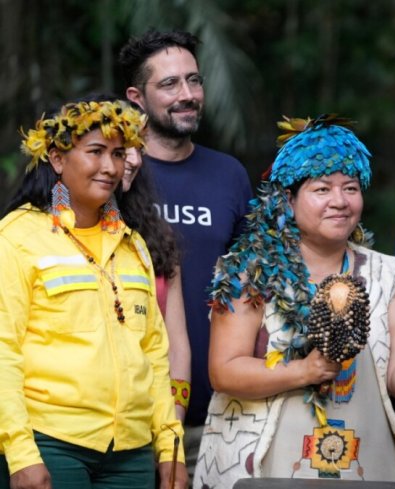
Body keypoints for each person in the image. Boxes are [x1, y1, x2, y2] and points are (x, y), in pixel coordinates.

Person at [192, 115, 395, 487]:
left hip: (364, 460)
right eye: (322, 189)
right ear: (288, 200)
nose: (340, 202)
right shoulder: (250, 273)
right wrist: (303, 372)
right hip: (263, 462)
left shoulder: (386, 275)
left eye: (351, 188)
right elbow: (224, 372)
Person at [0, 100, 186, 488]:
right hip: (52, 444)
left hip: (132, 452)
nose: (110, 167)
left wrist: (171, 450)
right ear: (56, 158)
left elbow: (154, 355)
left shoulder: (134, 246)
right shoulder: (17, 237)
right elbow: (4, 352)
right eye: (96, 152)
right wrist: (20, 454)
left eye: (118, 154)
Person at [118, 28, 253, 469]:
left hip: (218, 414)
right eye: (170, 84)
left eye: (194, 80)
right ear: (137, 96)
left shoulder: (228, 174)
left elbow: (254, 285)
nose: (188, 94)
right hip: (129, 416)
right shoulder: (113, 175)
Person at [121, 139, 191, 423]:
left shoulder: (157, 238)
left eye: (137, 148)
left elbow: (176, 347)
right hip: (63, 425)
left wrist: (172, 426)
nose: (134, 160)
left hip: (152, 420)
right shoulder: (34, 233)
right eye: (117, 150)